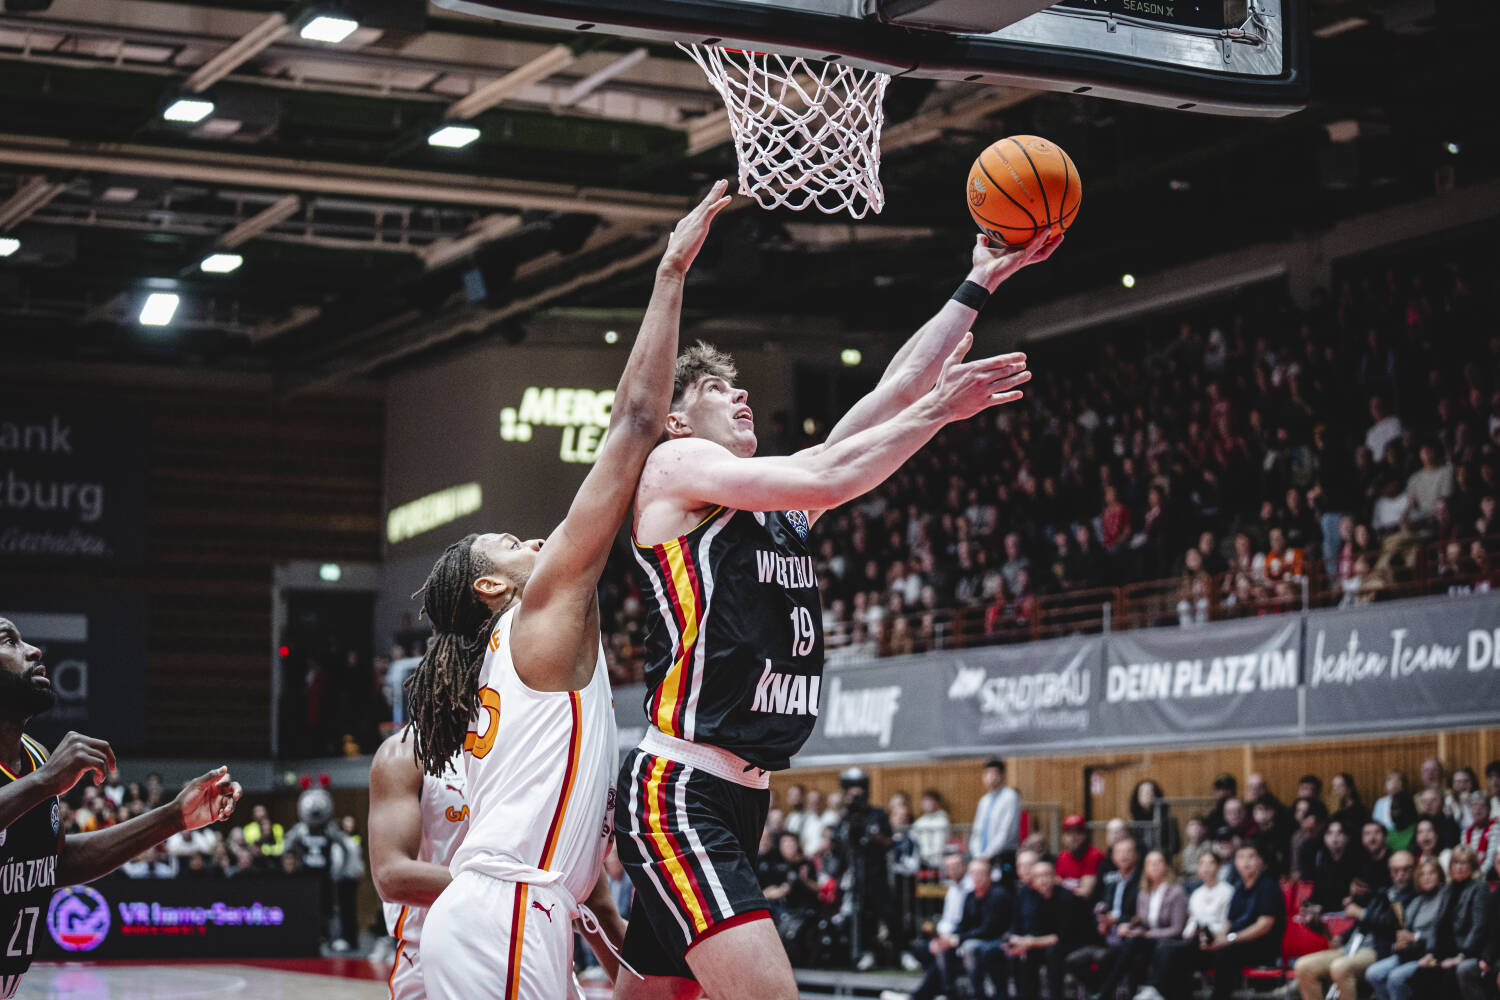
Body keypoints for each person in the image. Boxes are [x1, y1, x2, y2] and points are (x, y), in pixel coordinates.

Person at [616, 231, 1059, 1000]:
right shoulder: (672, 467)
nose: (741, 394)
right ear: (679, 421)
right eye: (717, 389)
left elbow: (895, 390)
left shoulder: (772, 507)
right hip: (679, 788)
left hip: (740, 794)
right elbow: (832, 471)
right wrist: (938, 412)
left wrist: (979, 283)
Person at [403, 184, 733, 999]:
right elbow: (633, 426)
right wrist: (669, 272)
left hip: (516, 909)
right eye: (511, 544)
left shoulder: (497, 656)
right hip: (508, 910)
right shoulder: (538, 611)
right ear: (491, 585)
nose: (534, 542)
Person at [0, 617, 243, 996]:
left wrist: (173, 817)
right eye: (9, 641)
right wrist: (45, 782)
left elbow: (56, 863)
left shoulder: (36, 757)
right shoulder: (43, 775)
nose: (34, 651)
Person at [1148, 843, 1285, 1000]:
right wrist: (1214, 938)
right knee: (1184, 951)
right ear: (1235, 862)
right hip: (1233, 944)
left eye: (1251, 857)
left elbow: (1264, 925)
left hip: (1259, 947)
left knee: (1225, 953)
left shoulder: (1268, 887)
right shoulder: (1239, 889)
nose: (1246, 862)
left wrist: (1230, 939)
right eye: (1241, 857)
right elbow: (1228, 924)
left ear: (1260, 860)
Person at [1292, 849, 1416, 1000]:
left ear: (1414, 870)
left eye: (1406, 870)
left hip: (1378, 950)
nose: (1400, 875)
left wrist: (1362, 914)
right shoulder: (1383, 892)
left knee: (1340, 967)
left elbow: (1394, 925)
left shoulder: (1415, 896)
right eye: (1396, 870)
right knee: (1303, 966)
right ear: (1390, 872)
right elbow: (1361, 925)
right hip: (1352, 946)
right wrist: (1339, 936)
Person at [1089, 850, 1186, 1000]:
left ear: (1166, 866)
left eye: (1158, 862)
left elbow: (1177, 929)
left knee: (1135, 945)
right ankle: (1124, 993)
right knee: (1133, 946)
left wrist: (1146, 934)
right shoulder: (1144, 893)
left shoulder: (1176, 892)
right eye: (1150, 863)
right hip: (1149, 941)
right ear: (1145, 869)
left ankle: (1106, 992)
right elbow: (1141, 921)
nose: (1154, 866)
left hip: (1169, 942)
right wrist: (1130, 928)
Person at [882, 852, 969, 1000]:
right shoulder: (952, 890)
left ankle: (925, 996)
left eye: (956, 866)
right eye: (949, 867)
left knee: (943, 952)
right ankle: (938, 992)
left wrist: (949, 938)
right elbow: (947, 919)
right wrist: (939, 936)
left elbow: (967, 921)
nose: (952, 870)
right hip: (948, 935)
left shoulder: (971, 889)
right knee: (922, 948)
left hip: (962, 936)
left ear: (964, 867)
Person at [1004, 859, 1095, 1000]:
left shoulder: (1067, 898)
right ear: (1033, 881)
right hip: (1052, 942)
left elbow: (1061, 936)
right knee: (1028, 953)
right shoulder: (1034, 897)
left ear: (1055, 877)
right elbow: (1035, 931)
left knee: (1052, 952)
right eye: (1038, 877)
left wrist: (1030, 942)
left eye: (1046, 875)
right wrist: (1020, 943)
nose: (1042, 880)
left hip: (1078, 941)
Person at [1365, 858, 1448, 1000]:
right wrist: (1398, 943)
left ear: (1439, 875)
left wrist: (1416, 937)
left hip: (1430, 954)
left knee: (1395, 978)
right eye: (1422, 874)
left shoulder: (1444, 898)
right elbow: (1405, 929)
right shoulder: (1417, 901)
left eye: (1431, 873)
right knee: (1372, 974)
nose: (1427, 877)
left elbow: (1441, 932)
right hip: (1409, 952)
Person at [952, 858, 1014, 1000]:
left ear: (990, 875)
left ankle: (981, 994)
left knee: (971, 948)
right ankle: (949, 992)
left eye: (981, 873)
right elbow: (963, 923)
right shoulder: (970, 896)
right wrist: (952, 936)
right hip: (976, 939)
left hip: (997, 939)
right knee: (944, 949)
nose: (977, 877)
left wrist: (961, 938)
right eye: (973, 873)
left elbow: (989, 929)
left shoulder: (999, 894)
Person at [970, 758, 1022, 876]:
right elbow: (977, 831)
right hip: (982, 856)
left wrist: (988, 854)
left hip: (1003, 854)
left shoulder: (1010, 796)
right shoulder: (984, 800)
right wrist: (977, 854)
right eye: (987, 773)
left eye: (994, 773)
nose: (990, 777)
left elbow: (1006, 831)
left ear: (1003, 776)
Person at [1056, 814, 1105, 899]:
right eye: (1068, 833)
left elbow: (1085, 893)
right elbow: (1055, 886)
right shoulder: (1062, 856)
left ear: (1086, 835)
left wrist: (1063, 886)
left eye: (1078, 833)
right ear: (1063, 837)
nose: (1073, 837)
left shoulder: (1094, 855)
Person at [1131, 781, 1181, 860]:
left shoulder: (1169, 821)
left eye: (1150, 791)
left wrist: (1159, 854)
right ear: (1137, 796)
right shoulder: (1134, 823)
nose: (1147, 795)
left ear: (1156, 794)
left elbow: (1175, 847)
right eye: (1143, 792)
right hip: (1140, 862)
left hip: (1162, 861)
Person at [909, 790, 952, 869]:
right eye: (925, 801)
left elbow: (940, 841)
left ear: (937, 803)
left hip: (938, 858)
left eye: (930, 801)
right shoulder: (919, 822)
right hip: (922, 859)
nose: (927, 804)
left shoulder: (942, 820)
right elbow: (913, 837)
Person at [1461, 792, 1500, 878]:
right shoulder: (1466, 832)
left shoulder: (1495, 827)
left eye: (1482, 806)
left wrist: (1476, 877)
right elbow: (1462, 858)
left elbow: (1491, 860)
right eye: (1474, 805)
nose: (1478, 809)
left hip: (1489, 877)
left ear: (1489, 809)